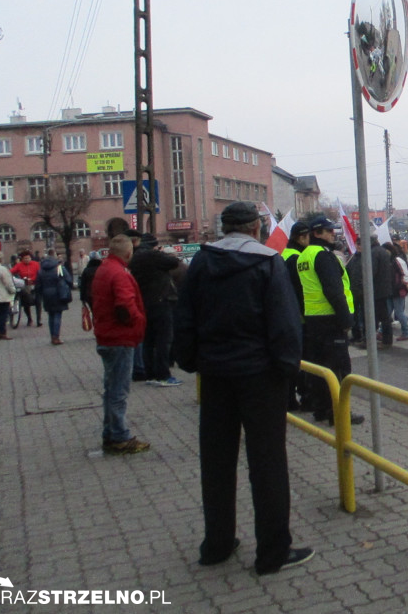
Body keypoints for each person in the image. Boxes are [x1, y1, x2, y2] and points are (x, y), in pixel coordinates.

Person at [171, 202, 313, 575]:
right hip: (261, 377)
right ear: (255, 228)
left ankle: (216, 545)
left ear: (225, 227)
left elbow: (184, 316)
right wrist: (287, 371)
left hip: (215, 376)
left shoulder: (202, 263)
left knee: (216, 462)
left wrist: (189, 361)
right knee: (267, 464)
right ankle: (272, 553)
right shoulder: (268, 263)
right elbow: (285, 323)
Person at [295, 216, 363, 428]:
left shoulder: (304, 255)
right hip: (331, 320)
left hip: (313, 320)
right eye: (328, 231)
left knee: (319, 369)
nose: (333, 233)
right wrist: (346, 320)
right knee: (339, 369)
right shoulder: (324, 256)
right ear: (317, 233)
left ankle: (321, 409)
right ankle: (339, 414)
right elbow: (334, 291)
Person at [92, 235, 150, 455]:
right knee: (119, 390)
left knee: (110, 388)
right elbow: (125, 305)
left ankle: (110, 432)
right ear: (128, 253)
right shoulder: (120, 273)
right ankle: (120, 436)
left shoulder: (104, 269)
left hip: (107, 335)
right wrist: (139, 323)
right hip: (120, 337)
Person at [129, 233, 184, 387]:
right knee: (164, 340)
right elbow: (174, 261)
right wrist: (159, 252)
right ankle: (163, 374)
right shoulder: (153, 256)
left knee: (148, 340)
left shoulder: (136, 257)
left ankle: (150, 374)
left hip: (144, 302)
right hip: (161, 302)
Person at [281, 221, 312, 409]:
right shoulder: (296, 258)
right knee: (302, 362)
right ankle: (301, 399)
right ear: (301, 237)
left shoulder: (284, 254)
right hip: (298, 317)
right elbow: (300, 290)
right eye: (307, 237)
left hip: (286, 315)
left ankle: (289, 399)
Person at [38, 249, 73, 345]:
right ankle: (56, 336)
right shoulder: (59, 268)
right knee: (57, 314)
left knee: (50, 315)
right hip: (58, 294)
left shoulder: (41, 269)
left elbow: (38, 284)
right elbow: (69, 280)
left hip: (46, 295)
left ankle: (52, 336)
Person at [385, 242, 408, 341]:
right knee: (386, 312)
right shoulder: (391, 260)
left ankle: (406, 332)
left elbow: (406, 274)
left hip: (397, 291)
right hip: (391, 290)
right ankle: (381, 331)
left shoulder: (397, 260)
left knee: (399, 312)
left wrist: (400, 286)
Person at [371, 238, 395, 347]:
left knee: (381, 316)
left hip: (377, 289)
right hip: (384, 288)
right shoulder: (382, 251)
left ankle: (385, 340)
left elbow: (371, 271)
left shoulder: (373, 253)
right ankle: (386, 338)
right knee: (383, 316)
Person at [10, 249, 41, 327]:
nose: (27, 260)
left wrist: (34, 279)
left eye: (28, 258)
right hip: (24, 285)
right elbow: (12, 271)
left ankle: (39, 320)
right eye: (25, 258)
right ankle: (29, 318)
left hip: (35, 284)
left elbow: (40, 273)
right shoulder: (19, 265)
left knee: (38, 302)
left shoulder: (36, 264)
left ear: (31, 258)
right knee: (26, 303)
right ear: (22, 259)